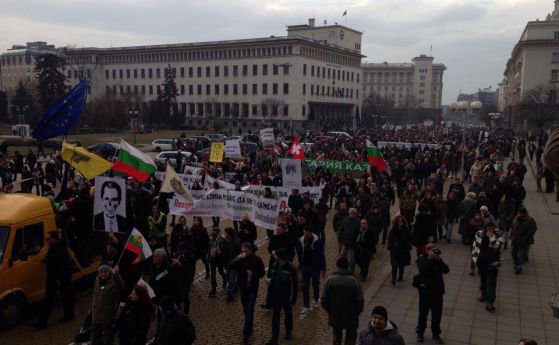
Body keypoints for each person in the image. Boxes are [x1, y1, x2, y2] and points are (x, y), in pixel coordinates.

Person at [31, 231, 74, 329]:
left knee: (64, 297)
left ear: (54, 239)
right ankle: (42, 322)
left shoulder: (60, 249)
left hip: (59, 278)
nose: (47, 241)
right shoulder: (54, 247)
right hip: (54, 277)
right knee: (50, 299)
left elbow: (62, 265)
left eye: (48, 239)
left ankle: (68, 316)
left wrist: (59, 279)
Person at [321, 257, 364, 345]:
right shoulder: (354, 281)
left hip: (335, 315)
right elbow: (360, 300)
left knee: (336, 338)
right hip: (351, 315)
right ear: (347, 266)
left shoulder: (330, 280)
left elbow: (323, 299)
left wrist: (330, 310)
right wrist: (356, 312)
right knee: (350, 338)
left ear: (337, 266)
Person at [229, 242, 266, 344]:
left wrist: (253, 274)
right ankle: (249, 325)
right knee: (246, 309)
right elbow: (230, 266)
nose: (243, 252)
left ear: (250, 250)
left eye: (245, 250)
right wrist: (237, 259)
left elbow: (262, 272)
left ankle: (246, 334)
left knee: (249, 310)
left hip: (252, 288)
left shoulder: (257, 259)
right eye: (242, 250)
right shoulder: (240, 258)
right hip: (243, 288)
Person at [414, 243, 448, 344]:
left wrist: (439, 260)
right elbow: (422, 270)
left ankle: (436, 334)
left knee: (437, 314)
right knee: (423, 314)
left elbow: (446, 270)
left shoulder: (437, 260)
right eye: (430, 249)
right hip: (425, 292)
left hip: (437, 292)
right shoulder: (422, 258)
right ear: (426, 251)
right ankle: (420, 333)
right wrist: (429, 259)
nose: (432, 251)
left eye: (433, 249)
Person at [265, 249, 298, 345]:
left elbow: (295, 284)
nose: (273, 256)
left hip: (286, 297)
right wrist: (270, 281)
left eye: (275, 255)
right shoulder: (275, 265)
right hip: (276, 296)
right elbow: (273, 278)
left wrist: (293, 299)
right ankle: (274, 338)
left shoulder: (290, 268)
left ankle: (288, 331)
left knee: (288, 315)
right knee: (275, 318)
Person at [471, 223, 503, 312]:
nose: (489, 231)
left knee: (491, 283)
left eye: (491, 229)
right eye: (488, 229)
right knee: (483, 279)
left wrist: (491, 237)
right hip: (481, 262)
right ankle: (484, 294)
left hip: (492, 263)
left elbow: (499, 248)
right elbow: (475, 246)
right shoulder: (479, 234)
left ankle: (490, 302)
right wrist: (474, 259)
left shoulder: (498, 236)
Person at [91, 265, 124, 345]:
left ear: (109, 272)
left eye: (105, 272)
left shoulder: (114, 282)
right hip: (96, 316)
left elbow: (121, 286)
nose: (103, 274)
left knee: (108, 340)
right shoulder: (97, 280)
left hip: (108, 317)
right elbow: (95, 296)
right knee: (94, 339)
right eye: (101, 272)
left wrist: (117, 274)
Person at [296, 227, 326, 316]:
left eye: (307, 234)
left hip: (315, 267)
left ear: (311, 233)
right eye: (304, 233)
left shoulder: (317, 241)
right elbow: (299, 253)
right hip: (305, 267)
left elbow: (321, 255)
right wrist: (301, 265)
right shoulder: (301, 241)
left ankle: (316, 298)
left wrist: (323, 268)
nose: (305, 235)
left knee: (315, 284)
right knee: (305, 286)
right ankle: (306, 305)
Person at [510, 207, 537, 274]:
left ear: (523, 213)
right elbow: (513, 227)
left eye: (519, 213)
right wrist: (511, 235)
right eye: (518, 213)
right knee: (513, 253)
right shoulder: (516, 219)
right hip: (515, 239)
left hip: (523, 241)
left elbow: (532, 231)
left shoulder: (529, 221)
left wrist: (524, 239)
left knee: (521, 255)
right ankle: (516, 263)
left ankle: (519, 267)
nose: (518, 214)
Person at [387, 215, 412, 285]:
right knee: (394, 265)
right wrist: (391, 246)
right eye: (399, 221)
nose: (400, 222)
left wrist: (407, 246)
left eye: (401, 221)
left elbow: (408, 239)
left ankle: (400, 276)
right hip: (395, 250)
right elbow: (390, 239)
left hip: (402, 250)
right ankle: (393, 278)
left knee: (401, 264)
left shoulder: (406, 230)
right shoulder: (393, 230)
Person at [338, 208, 360, 273]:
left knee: (352, 259)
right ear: (349, 213)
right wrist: (339, 238)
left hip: (353, 244)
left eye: (354, 213)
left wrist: (357, 241)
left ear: (356, 214)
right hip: (345, 242)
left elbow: (359, 232)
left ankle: (351, 270)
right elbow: (341, 230)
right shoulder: (345, 220)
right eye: (351, 213)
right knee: (342, 255)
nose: (352, 214)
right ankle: (342, 268)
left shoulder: (358, 221)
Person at [208, 227, 227, 298]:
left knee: (220, 271)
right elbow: (208, 247)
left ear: (218, 232)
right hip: (212, 258)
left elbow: (224, 249)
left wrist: (218, 249)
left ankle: (225, 279)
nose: (212, 232)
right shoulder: (210, 238)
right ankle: (213, 288)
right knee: (212, 274)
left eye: (214, 231)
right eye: (212, 230)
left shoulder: (222, 239)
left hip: (220, 259)